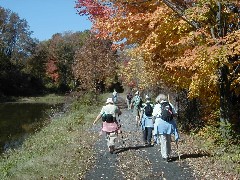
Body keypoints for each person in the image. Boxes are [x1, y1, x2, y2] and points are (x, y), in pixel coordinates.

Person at [152, 94, 179, 162]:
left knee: (163, 140)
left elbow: (154, 116)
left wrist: (154, 124)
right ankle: (168, 153)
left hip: (160, 123)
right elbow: (175, 114)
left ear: (159, 99)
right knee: (168, 139)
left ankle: (165, 155)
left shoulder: (157, 106)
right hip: (169, 124)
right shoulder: (169, 104)